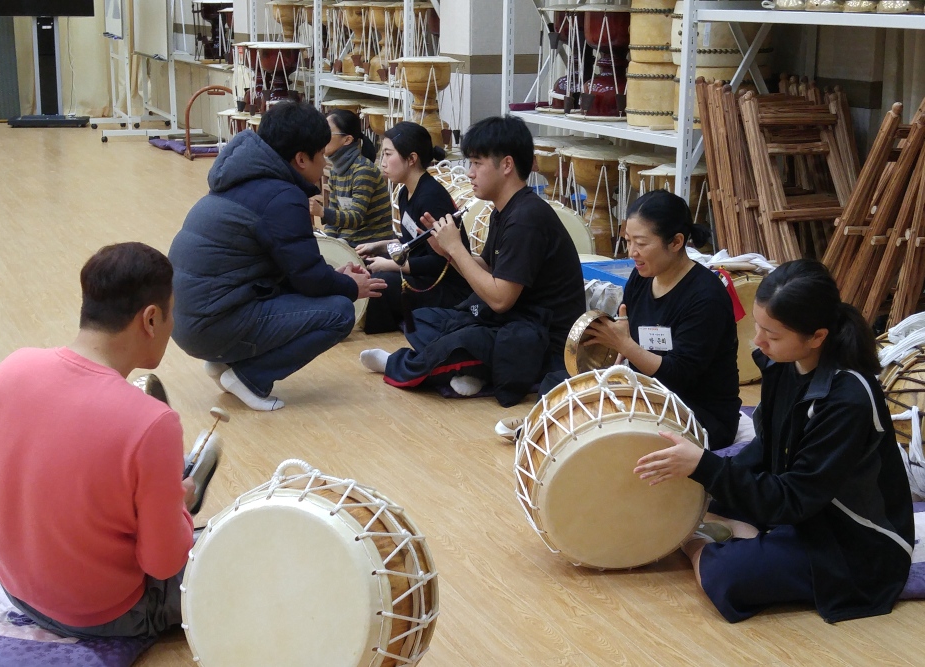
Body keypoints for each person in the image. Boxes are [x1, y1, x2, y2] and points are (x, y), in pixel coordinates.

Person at [634, 259, 913, 623]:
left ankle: (703, 540)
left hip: (851, 543)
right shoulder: (783, 362)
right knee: (692, 496)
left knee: (726, 575)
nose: (758, 341)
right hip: (803, 509)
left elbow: (793, 499)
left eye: (773, 335)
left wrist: (703, 474)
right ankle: (741, 533)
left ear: (817, 337)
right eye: (758, 326)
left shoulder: (848, 399)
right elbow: (766, 448)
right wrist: (704, 478)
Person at [0, 242, 220, 640]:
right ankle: (173, 500)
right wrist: (177, 505)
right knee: (239, 555)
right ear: (151, 318)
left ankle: (162, 498)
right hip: (102, 612)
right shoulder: (153, 422)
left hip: (15, 587)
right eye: (172, 313)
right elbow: (162, 564)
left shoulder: (11, 368)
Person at [169, 101, 386, 411]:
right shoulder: (282, 196)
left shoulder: (242, 175)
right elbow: (308, 278)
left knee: (320, 295)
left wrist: (332, 278)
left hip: (185, 319)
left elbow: (292, 268)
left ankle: (227, 363)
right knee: (339, 312)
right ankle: (249, 377)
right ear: (301, 159)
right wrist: (351, 287)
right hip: (210, 326)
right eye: (321, 154)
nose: (324, 161)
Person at [360, 115, 586, 407]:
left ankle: (398, 363)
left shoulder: (527, 218)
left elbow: (500, 299)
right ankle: (472, 369)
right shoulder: (504, 210)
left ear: (506, 165)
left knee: (457, 342)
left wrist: (456, 249)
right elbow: (490, 270)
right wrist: (446, 252)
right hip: (511, 319)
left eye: (477, 163)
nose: (469, 173)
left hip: (538, 339)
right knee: (424, 320)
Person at [585, 190, 741, 450]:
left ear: (676, 242)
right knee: (560, 382)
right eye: (628, 241)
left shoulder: (706, 297)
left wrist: (626, 345)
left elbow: (679, 376)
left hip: (698, 413)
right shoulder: (641, 277)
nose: (632, 252)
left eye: (641, 243)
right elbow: (628, 332)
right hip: (649, 393)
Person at [355, 121, 472, 334]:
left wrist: (392, 265)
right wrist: (379, 246)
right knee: (365, 263)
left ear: (411, 159)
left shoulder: (431, 198)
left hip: (446, 286)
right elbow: (413, 243)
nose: (382, 162)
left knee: (381, 282)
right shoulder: (404, 193)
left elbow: (440, 261)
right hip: (423, 273)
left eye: (388, 154)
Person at [309, 109, 393, 247]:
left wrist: (322, 212)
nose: (321, 138)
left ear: (347, 139)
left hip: (369, 246)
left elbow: (356, 217)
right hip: (348, 242)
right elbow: (333, 219)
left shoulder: (363, 170)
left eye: (327, 133)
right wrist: (329, 243)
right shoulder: (336, 171)